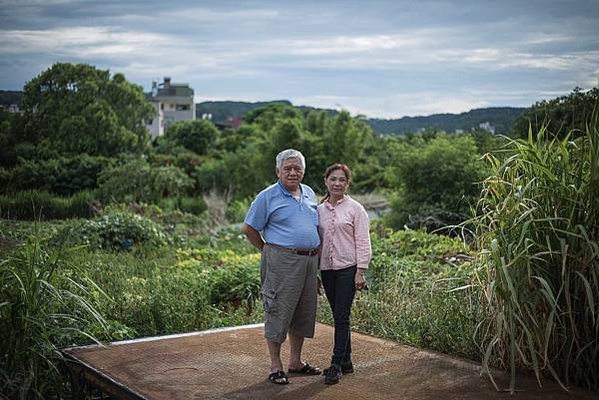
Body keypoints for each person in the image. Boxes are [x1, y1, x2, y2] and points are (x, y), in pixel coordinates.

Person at [241, 149, 322, 385]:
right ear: (278, 171)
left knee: (303, 311)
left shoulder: (308, 193)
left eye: (297, 168)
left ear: (303, 171)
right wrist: (268, 250)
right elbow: (249, 229)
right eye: (287, 168)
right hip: (282, 260)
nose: (293, 172)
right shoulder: (267, 196)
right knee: (278, 310)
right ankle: (275, 366)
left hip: (309, 261)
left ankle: (295, 362)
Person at [318, 163, 372, 385]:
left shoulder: (355, 209)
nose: (337, 183)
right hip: (327, 270)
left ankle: (335, 364)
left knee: (341, 316)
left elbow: (363, 241)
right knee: (338, 316)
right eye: (333, 179)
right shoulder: (319, 210)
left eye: (342, 179)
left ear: (347, 183)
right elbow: (316, 241)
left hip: (348, 269)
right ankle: (347, 362)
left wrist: (360, 271)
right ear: (326, 181)